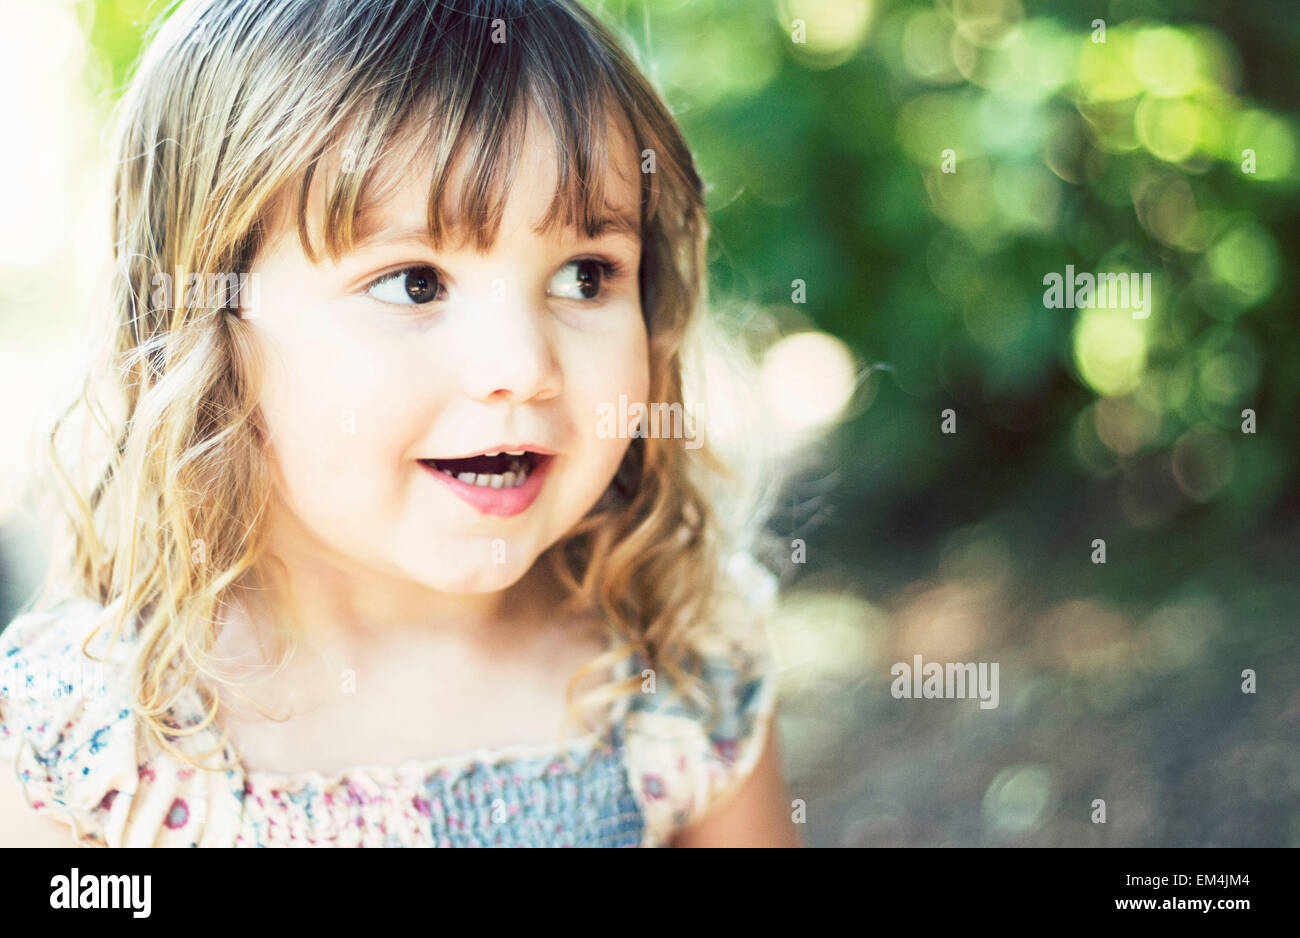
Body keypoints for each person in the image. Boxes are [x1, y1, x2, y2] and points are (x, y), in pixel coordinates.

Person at [0, 0, 799, 847]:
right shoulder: (92, 749)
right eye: (415, 282)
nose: (522, 366)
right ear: (209, 329)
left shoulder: (679, 676)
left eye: (585, 275)